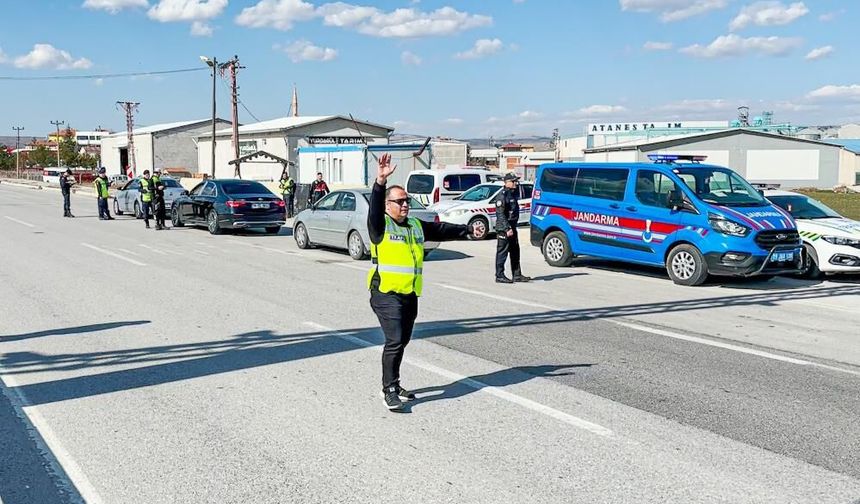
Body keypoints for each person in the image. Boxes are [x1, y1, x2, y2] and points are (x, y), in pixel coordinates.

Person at [368, 154, 471, 411]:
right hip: (385, 292)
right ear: (387, 205)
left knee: (403, 341)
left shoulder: (414, 224)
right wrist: (380, 183)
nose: (405, 205)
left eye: (407, 201)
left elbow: (441, 230)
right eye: (399, 202)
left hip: (409, 293)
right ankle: (389, 390)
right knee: (395, 339)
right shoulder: (380, 226)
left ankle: (395, 381)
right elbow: (374, 208)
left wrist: (467, 230)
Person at [495, 172, 531, 284]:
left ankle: (517, 275)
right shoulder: (502, 195)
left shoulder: (512, 194)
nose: (516, 183)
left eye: (516, 181)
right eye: (513, 181)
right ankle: (499, 275)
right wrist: (507, 228)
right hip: (504, 229)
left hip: (513, 227)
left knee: (515, 252)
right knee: (502, 253)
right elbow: (500, 214)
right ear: (507, 183)